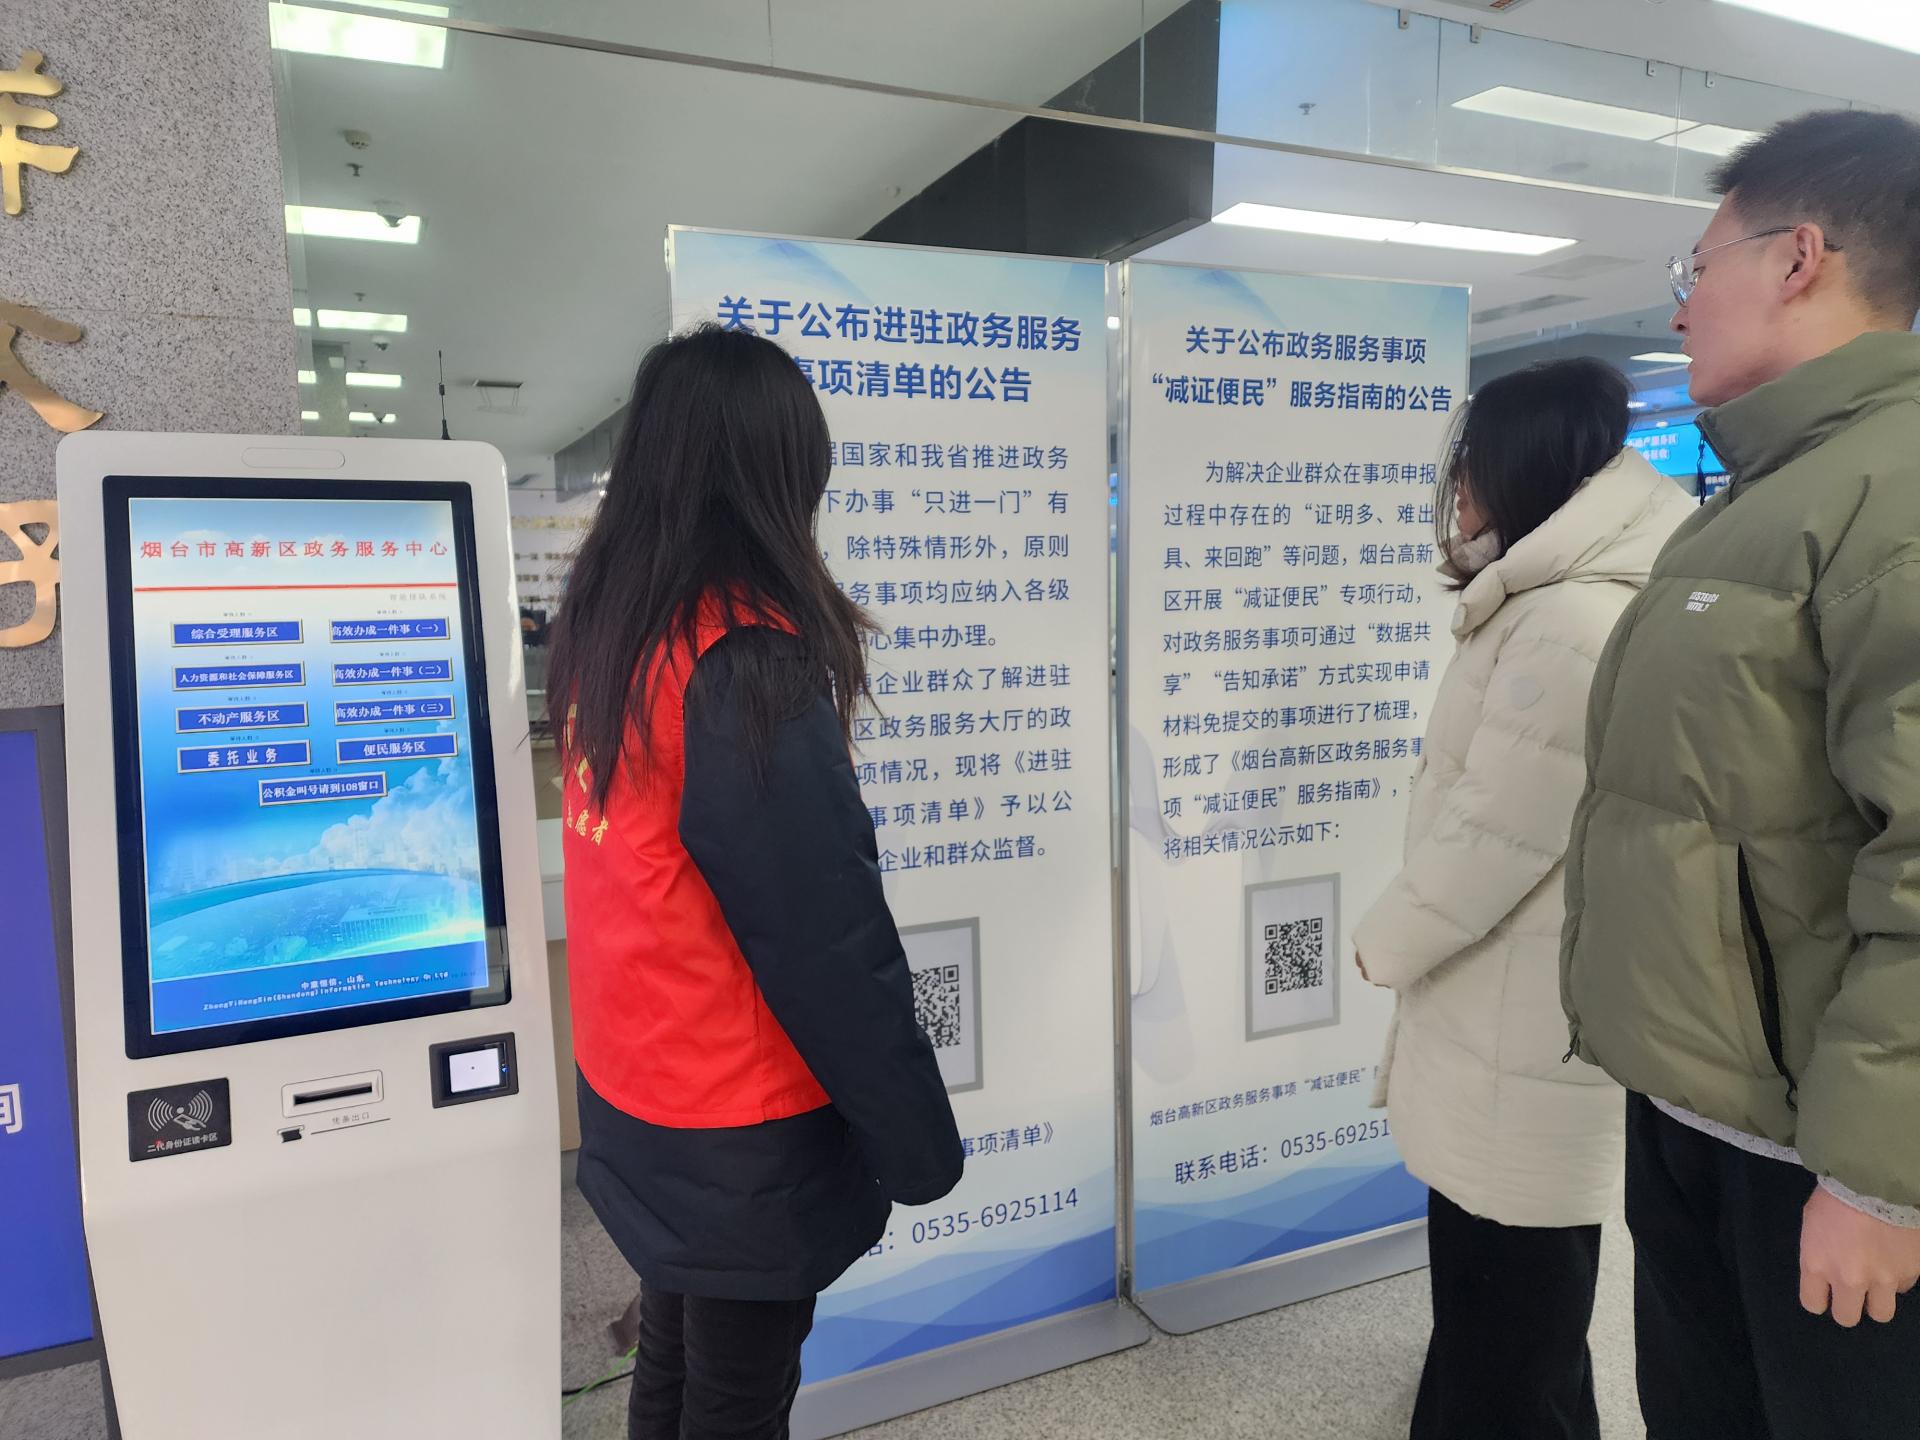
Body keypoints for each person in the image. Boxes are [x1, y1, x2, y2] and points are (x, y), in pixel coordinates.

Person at [1561, 108, 1920, 1438]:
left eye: (1695, 270)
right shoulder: (1761, 499)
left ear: (1798, 257)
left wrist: (1883, 1180)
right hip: (1703, 1111)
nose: (1681, 308)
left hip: (1824, 1155)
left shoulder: (1891, 497)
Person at [550, 324, 964, 1440]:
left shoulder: (613, 629)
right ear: (776, 475)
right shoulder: (741, 659)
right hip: (737, 1118)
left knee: (677, 1351)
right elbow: (826, 937)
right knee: (735, 1395)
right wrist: (917, 1140)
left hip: (635, 1084)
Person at [1353, 357, 1692, 1440]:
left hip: (1521, 1027)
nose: (1457, 492)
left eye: (1470, 470)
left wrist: (1383, 941)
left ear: (1523, 472)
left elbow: (1493, 839)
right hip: (1512, 1015)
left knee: (1511, 1316)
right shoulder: (1555, 599)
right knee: (1508, 1310)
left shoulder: (1568, 623)